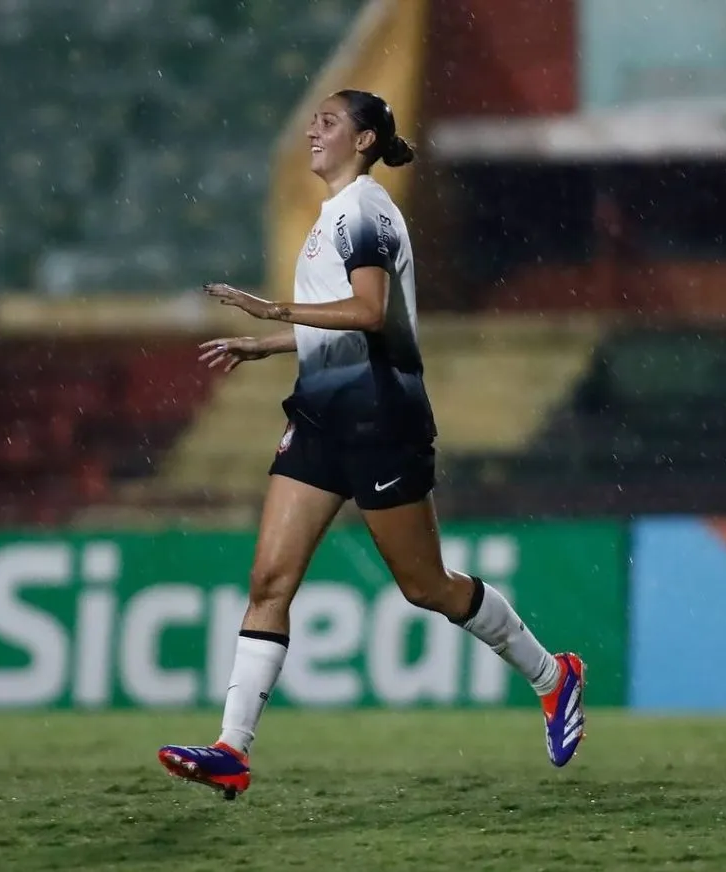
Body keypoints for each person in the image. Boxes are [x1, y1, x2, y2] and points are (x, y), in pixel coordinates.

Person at [157, 90, 585, 800]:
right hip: (323, 418)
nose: (313, 130)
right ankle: (232, 750)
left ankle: (552, 673)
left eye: (329, 121)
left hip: (383, 419)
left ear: (363, 140)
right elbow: (347, 324)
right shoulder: (333, 215)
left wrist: (277, 309)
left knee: (427, 587)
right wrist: (271, 344)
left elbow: (370, 312)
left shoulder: (367, 211)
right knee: (270, 582)